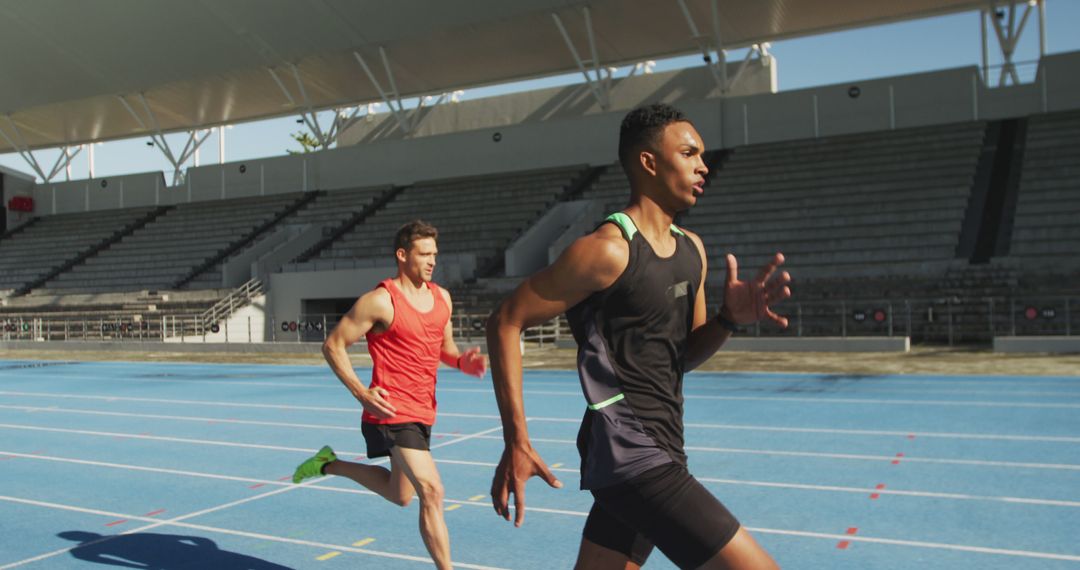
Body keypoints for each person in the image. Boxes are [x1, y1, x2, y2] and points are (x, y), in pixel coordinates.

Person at [486, 103, 792, 569]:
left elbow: (682, 355)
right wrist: (517, 439)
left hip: (665, 447)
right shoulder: (607, 250)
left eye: (703, 155)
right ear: (649, 163)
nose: (702, 165)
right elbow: (505, 320)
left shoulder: (693, 250)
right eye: (689, 153)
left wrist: (729, 320)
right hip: (630, 454)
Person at [292, 220, 487, 570]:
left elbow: (445, 348)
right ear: (402, 255)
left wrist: (461, 362)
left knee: (400, 495)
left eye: (435, 255)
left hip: (424, 409)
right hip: (391, 411)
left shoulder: (442, 298)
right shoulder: (380, 301)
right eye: (424, 254)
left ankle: (327, 463)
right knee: (432, 491)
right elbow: (333, 345)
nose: (432, 261)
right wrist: (361, 393)